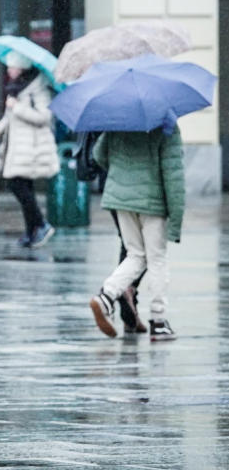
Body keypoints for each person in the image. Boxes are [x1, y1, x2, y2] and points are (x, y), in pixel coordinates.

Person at [88, 125, 184, 340]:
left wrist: (123, 174)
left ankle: (106, 297)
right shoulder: (166, 125)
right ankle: (159, 321)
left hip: (121, 199)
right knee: (156, 259)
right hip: (153, 202)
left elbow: (99, 155)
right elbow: (173, 176)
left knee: (135, 255)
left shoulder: (119, 122)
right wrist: (176, 220)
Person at [0, 52, 59, 248]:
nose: (9, 70)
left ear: (22, 68)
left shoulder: (38, 88)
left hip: (32, 146)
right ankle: (31, 231)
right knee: (24, 186)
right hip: (18, 146)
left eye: (12, 67)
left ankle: (41, 224)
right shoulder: (15, 88)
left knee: (17, 185)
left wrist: (17, 108)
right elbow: (9, 116)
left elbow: (45, 117)